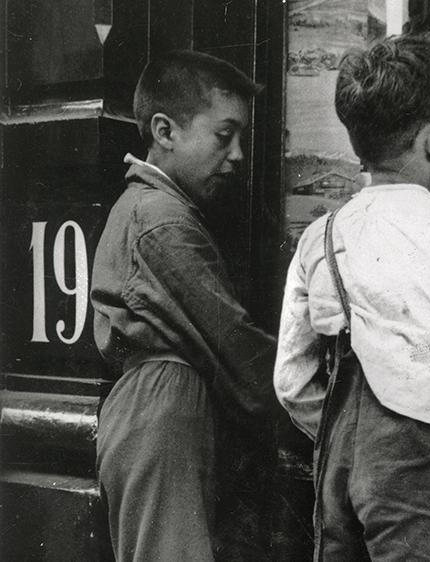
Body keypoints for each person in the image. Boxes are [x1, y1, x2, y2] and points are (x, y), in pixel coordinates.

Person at [274, 36, 430, 561]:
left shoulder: (320, 234)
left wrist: (344, 434)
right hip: (418, 466)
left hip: (336, 462)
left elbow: (290, 379)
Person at [91, 50, 276, 561]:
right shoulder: (162, 220)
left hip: (158, 410)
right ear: (165, 131)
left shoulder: (148, 209)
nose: (237, 154)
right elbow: (236, 346)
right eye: (224, 135)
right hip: (165, 411)